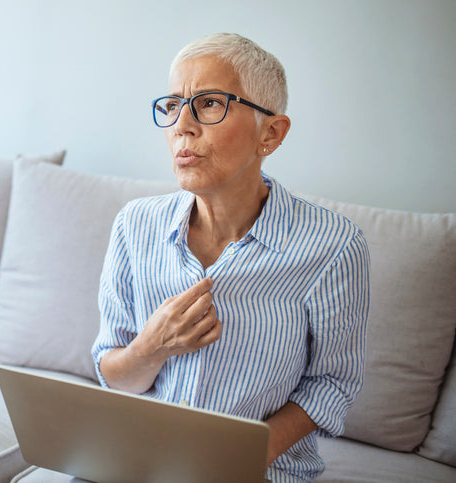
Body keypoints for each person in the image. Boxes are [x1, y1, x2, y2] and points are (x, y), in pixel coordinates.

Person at [91, 33, 370, 483]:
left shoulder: (333, 247)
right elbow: (112, 371)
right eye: (171, 106)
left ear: (271, 133)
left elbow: (332, 385)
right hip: (139, 464)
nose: (181, 125)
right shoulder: (133, 225)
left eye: (207, 104)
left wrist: (235, 459)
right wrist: (151, 348)